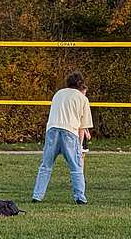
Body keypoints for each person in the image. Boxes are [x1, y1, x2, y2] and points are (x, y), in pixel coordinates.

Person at [31, 71, 92, 205]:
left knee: (46, 166)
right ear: (81, 84)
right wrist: (80, 146)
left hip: (52, 130)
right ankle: (80, 197)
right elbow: (82, 127)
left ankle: (37, 195)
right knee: (76, 166)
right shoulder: (82, 99)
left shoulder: (58, 94)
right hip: (70, 132)